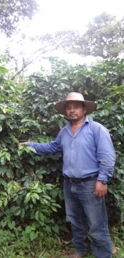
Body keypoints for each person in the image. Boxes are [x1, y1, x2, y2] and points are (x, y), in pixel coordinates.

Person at [20, 92, 116, 258]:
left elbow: (107, 157)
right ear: (65, 111)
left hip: (90, 184)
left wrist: (102, 180)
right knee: (75, 221)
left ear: (84, 109)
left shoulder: (96, 129)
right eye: (69, 108)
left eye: (76, 107)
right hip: (69, 184)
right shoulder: (64, 131)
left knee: (96, 224)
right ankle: (81, 251)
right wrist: (30, 145)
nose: (72, 110)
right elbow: (52, 147)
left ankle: (104, 255)